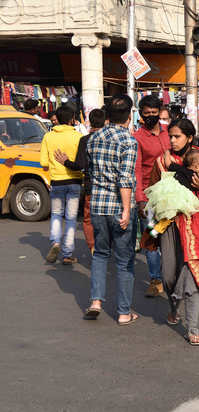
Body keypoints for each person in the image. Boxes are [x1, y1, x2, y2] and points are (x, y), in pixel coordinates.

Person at [147, 119, 199, 345]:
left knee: (193, 274)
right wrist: (149, 226)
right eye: (171, 136)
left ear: (189, 137)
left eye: (177, 136)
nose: (173, 140)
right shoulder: (161, 161)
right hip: (168, 226)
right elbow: (152, 193)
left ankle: (192, 329)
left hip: (196, 226)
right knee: (168, 275)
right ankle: (172, 303)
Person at [84, 94, 139, 325]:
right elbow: (125, 179)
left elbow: (92, 171)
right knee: (125, 260)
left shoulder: (93, 139)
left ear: (107, 115)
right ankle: (124, 312)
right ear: (130, 114)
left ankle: (95, 301)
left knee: (100, 254)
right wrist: (126, 210)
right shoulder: (128, 141)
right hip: (119, 207)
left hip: (97, 205)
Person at [53, 108, 107, 253]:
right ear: (105, 122)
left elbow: (80, 165)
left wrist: (66, 162)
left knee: (89, 220)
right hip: (109, 188)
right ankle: (106, 244)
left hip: (91, 187)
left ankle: (93, 246)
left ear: (89, 123)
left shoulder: (85, 140)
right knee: (107, 219)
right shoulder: (109, 139)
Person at [134, 95, 170, 298]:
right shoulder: (137, 137)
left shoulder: (170, 133)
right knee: (152, 237)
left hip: (171, 197)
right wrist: (140, 198)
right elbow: (137, 170)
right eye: (146, 113)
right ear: (141, 114)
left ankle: (172, 274)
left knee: (171, 236)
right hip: (149, 198)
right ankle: (155, 279)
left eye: (153, 113)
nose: (150, 116)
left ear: (160, 112)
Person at [40, 105, 83, 265]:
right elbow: (81, 162)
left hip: (56, 181)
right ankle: (67, 254)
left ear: (56, 119)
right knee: (71, 218)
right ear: (72, 119)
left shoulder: (48, 137)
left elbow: (44, 162)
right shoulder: (78, 137)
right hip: (74, 181)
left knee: (56, 214)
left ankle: (55, 243)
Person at [145, 149, 199, 238]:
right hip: (180, 197)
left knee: (162, 206)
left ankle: (153, 221)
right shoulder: (198, 176)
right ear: (197, 165)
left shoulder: (181, 168)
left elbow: (168, 164)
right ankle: (157, 230)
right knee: (171, 214)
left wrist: (167, 153)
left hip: (170, 189)